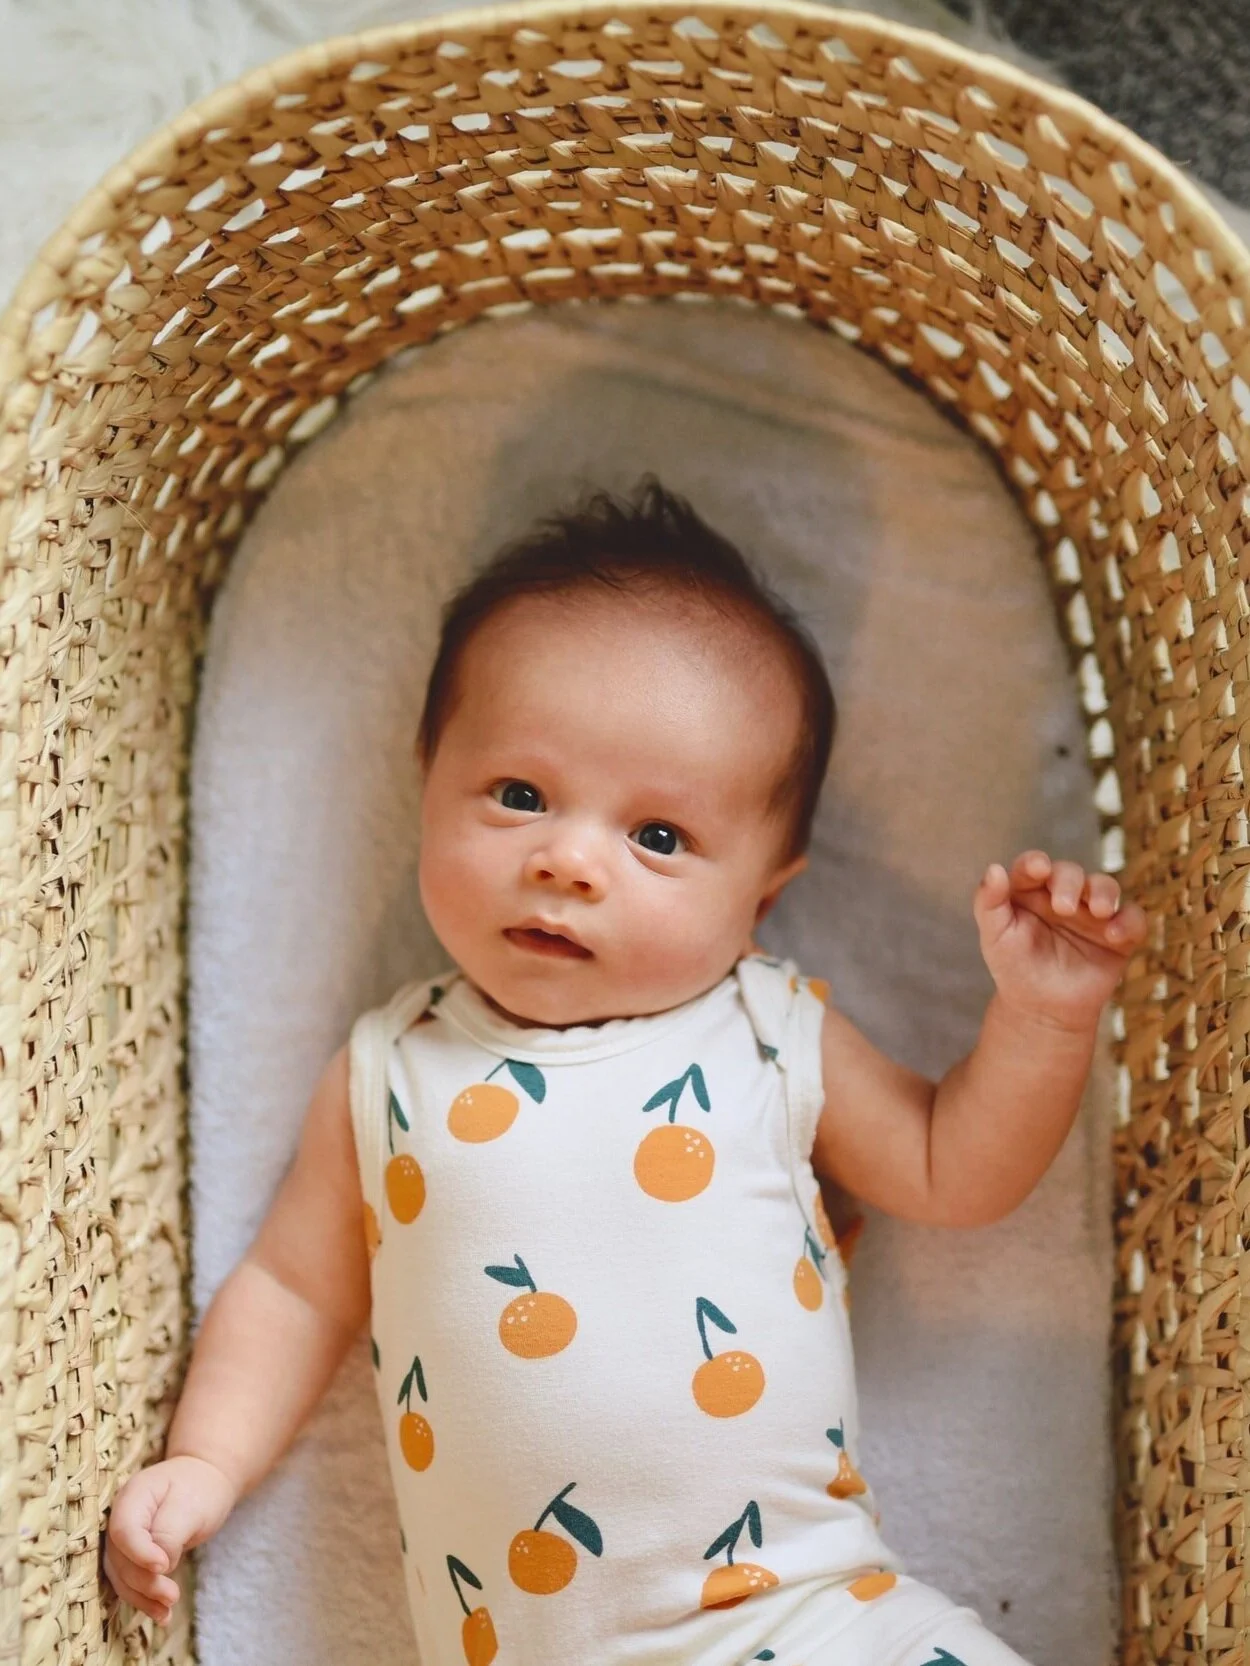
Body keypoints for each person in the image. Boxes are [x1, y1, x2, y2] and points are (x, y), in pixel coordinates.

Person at [103, 477, 1146, 1664]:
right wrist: (205, 1462)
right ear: (426, 780)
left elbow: (950, 1166)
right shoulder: (388, 1073)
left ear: (761, 896)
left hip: (803, 1615)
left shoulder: (763, 1030)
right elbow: (293, 1290)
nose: (567, 859)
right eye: (519, 795)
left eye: (657, 836)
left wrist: (1042, 1017)